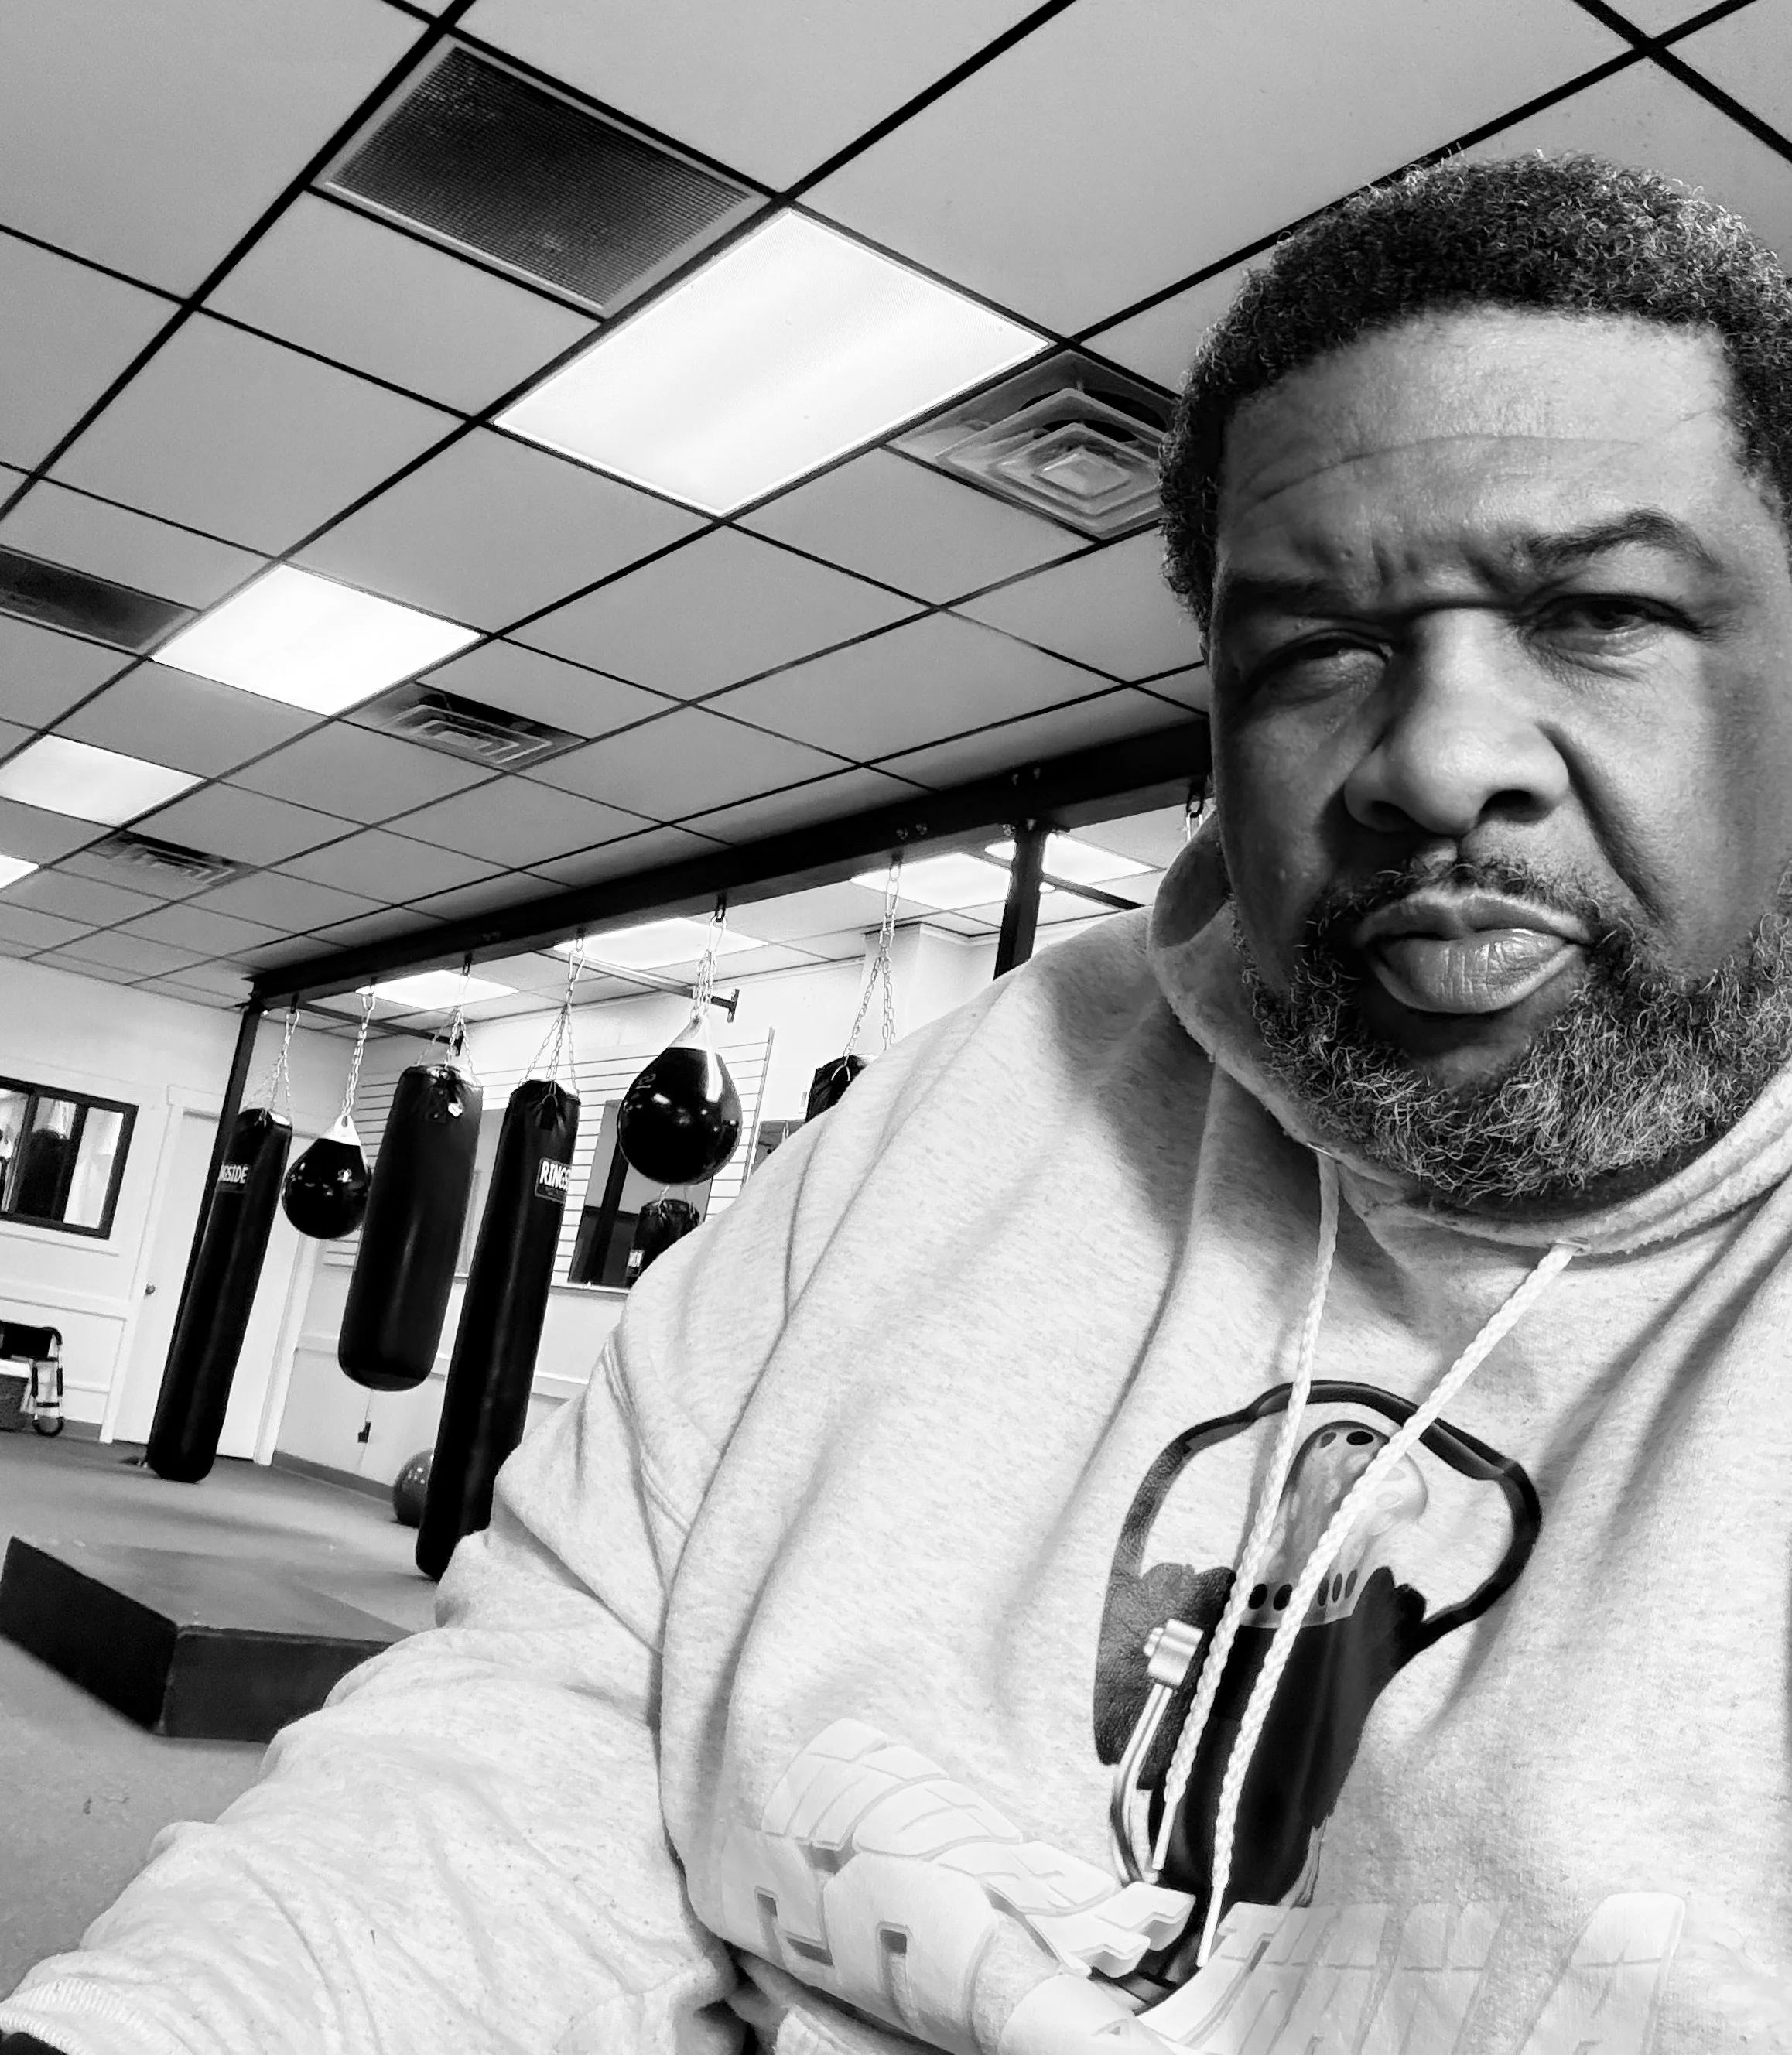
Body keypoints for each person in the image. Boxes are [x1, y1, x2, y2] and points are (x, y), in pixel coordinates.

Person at [5, 152, 1790, 2055]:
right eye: (1313, 651)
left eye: (1599, 609)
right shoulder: (971, 1110)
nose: (1435, 760)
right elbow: (545, 1730)